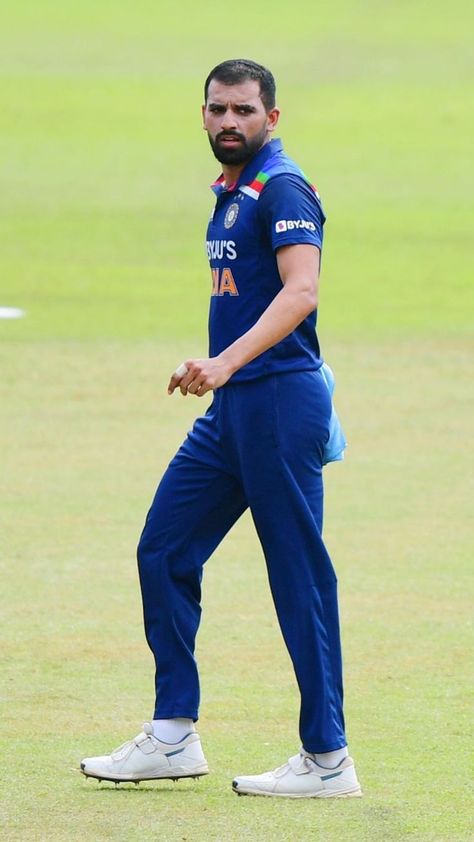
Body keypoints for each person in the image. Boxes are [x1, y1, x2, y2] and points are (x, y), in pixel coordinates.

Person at [80, 59, 361, 799]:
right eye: (217, 110)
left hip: (276, 402)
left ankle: (328, 759)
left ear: (272, 116)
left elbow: (302, 292)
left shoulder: (283, 186)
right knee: (164, 547)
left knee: (299, 576)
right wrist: (220, 373)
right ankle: (173, 734)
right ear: (202, 115)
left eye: (243, 110)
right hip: (232, 409)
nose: (229, 122)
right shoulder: (232, 191)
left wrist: (225, 362)